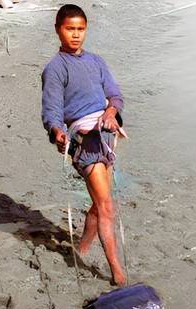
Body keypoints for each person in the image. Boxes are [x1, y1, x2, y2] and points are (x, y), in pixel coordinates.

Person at [41, 4, 127, 286]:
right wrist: (57, 132)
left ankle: (82, 249)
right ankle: (117, 273)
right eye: (70, 29)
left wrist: (111, 113)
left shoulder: (97, 62)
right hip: (83, 142)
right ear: (58, 30)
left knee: (98, 203)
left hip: (105, 135)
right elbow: (51, 111)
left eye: (80, 29)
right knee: (106, 206)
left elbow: (115, 95)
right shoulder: (55, 69)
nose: (75, 35)